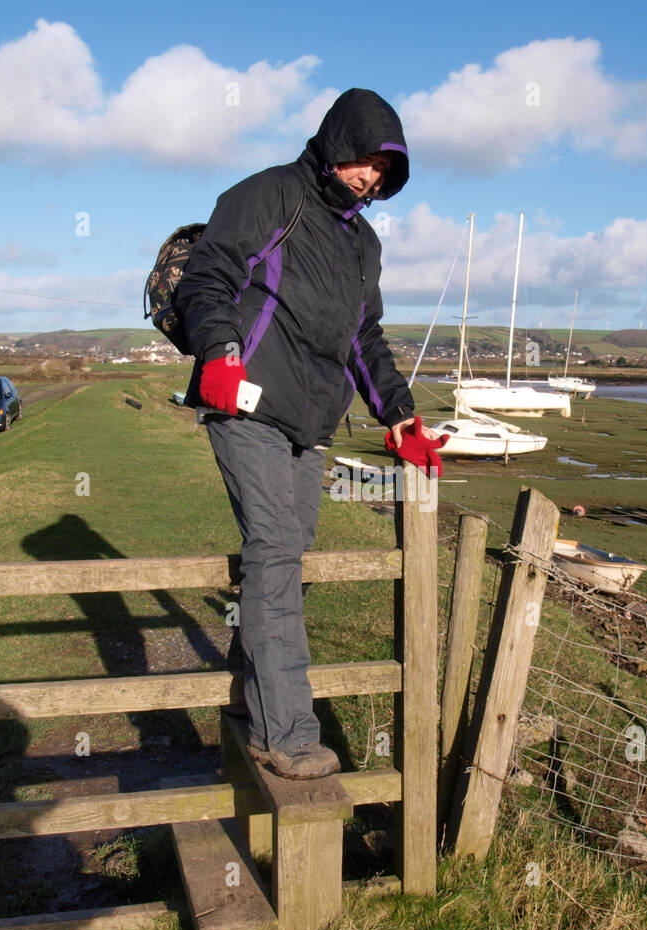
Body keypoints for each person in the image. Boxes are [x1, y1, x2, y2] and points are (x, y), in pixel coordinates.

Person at [176, 88, 444, 780]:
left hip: (310, 423)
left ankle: (248, 701)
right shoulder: (271, 195)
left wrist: (401, 415)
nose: (372, 179)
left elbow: (365, 340)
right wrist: (219, 352)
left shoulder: (364, 244)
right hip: (246, 405)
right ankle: (288, 732)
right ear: (337, 142)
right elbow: (207, 275)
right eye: (366, 162)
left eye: (386, 173)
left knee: (291, 552)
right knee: (272, 549)